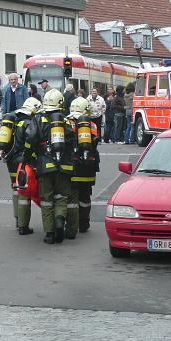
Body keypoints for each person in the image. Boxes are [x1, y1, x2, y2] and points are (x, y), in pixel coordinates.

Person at [24, 88, 74, 244]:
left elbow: (31, 138)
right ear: (60, 102)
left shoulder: (38, 119)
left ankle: (49, 233)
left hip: (45, 166)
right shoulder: (65, 120)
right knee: (61, 197)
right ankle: (60, 219)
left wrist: (27, 158)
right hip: (64, 166)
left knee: (46, 199)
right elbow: (72, 140)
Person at [0, 97, 42, 235]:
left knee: (16, 188)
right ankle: (23, 226)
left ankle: (18, 220)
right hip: (23, 161)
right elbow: (31, 140)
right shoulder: (29, 122)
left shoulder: (14, 120)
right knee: (24, 191)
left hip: (10, 160)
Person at [65, 97, 99, 239]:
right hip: (88, 166)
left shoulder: (66, 122)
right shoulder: (91, 124)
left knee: (71, 199)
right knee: (85, 197)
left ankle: (71, 227)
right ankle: (84, 224)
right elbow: (94, 142)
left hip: (72, 165)